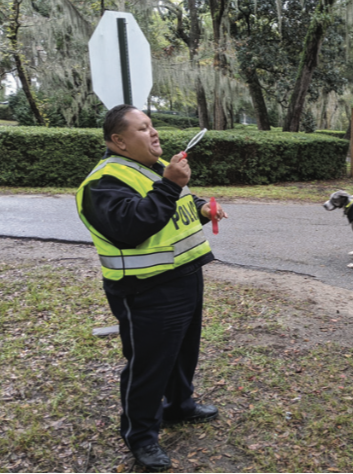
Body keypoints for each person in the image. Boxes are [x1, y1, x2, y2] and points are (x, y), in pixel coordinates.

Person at [76, 104, 228, 471]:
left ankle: (179, 405)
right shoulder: (102, 183)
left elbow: (175, 205)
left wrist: (202, 210)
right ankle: (140, 435)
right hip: (145, 289)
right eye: (142, 128)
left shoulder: (156, 168)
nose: (154, 132)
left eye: (151, 125)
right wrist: (172, 185)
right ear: (119, 141)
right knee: (148, 364)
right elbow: (132, 226)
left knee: (182, 351)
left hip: (186, 275)